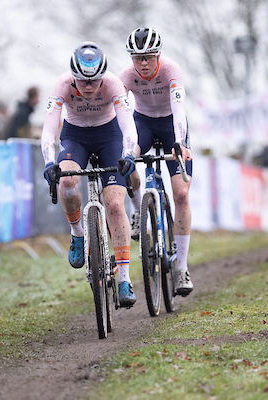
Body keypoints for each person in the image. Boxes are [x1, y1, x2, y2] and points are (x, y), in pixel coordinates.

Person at [41, 42, 138, 307]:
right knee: (68, 180)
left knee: (116, 206)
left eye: (94, 81)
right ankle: (77, 233)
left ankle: (124, 280)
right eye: (82, 81)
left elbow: (128, 124)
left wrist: (128, 153)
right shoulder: (61, 85)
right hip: (76, 137)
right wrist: (50, 162)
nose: (88, 86)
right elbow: (49, 129)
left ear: (103, 76)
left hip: (109, 137)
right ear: (73, 76)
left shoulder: (114, 84)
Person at [118, 27, 194, 296]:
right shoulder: (125, 76)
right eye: (137, 58)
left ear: (158, 55)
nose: (144, 63)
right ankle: (137, 208)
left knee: (181, 195)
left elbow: (179, 109)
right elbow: (118, 111)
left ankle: (182, 267)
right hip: (144, 124)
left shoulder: (171, 70)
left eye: (149, 57)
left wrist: (180, 141)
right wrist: (126, 148)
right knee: (124, 159)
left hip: (172, 126)